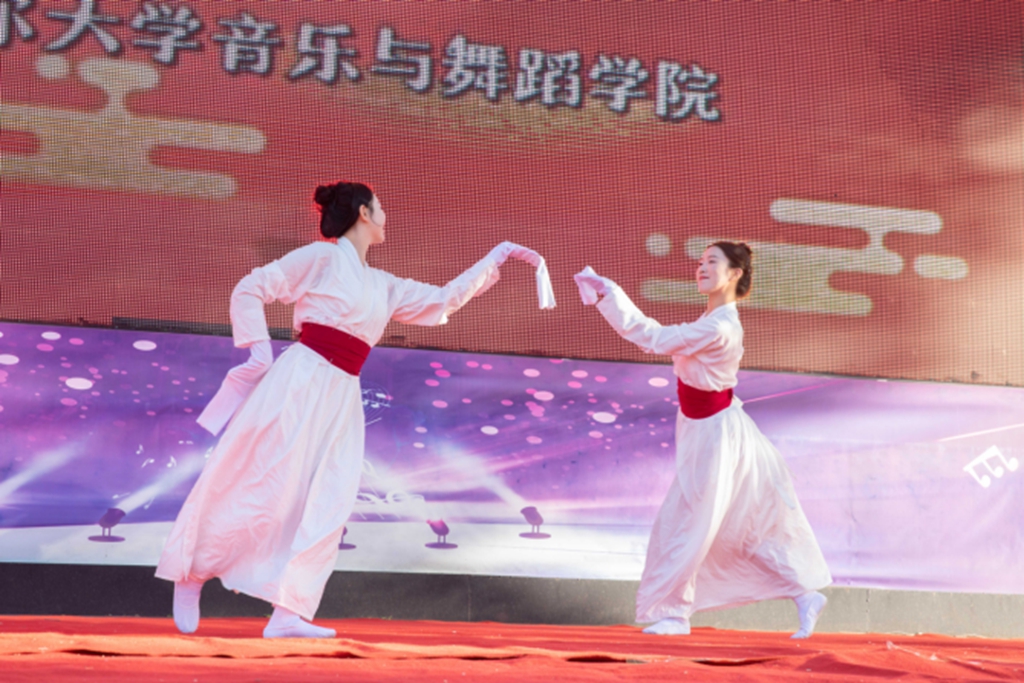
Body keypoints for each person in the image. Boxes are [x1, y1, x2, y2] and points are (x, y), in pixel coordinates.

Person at [157, 181, 554, 638]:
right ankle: (191, 573)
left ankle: (288, 610)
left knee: (332, 497)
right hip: (300, 379)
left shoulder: (384, 285)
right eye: (380, 207)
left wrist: (496, 258)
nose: (385, 215)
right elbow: (251, 288)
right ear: (364, 212)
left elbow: (443, 300)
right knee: (258, 480)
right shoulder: (321, 258)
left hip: (342, 391)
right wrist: (258, 353)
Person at [574, 242, 831, 638]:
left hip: (717, 436)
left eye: (712, 261)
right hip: (704, 429)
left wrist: (610, 293)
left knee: (688, 523)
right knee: (732, 527)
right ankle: (804, 594)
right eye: (699, 262)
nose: (701, 267)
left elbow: (653, 337)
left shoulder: (719, 326)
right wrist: (608, 295)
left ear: (734, 274)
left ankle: (675, 615)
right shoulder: (711, 318)